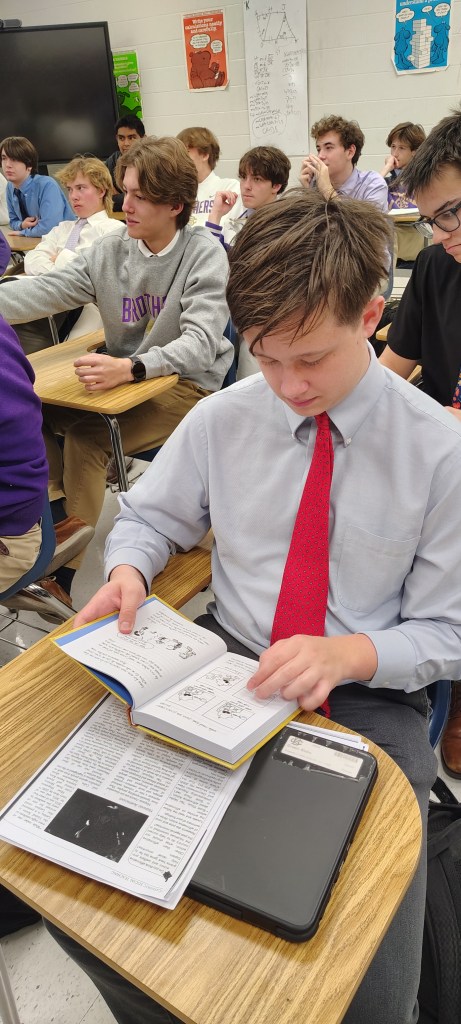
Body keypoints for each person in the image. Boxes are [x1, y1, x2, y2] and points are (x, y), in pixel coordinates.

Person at [45, 189, 461, 1024]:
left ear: (371, 315)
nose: (286, 384)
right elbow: (154, 517)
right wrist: (127, 570)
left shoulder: (437, 450)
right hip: (223, 664)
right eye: (266, 357)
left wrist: (347, 655)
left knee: (372, 988)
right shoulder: (226, 417)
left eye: (310, 358)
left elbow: (446, 629)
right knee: (79, 900)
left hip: (364, 699)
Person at [0, 135, 231, 599]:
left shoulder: (203, 253)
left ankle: (60, 579)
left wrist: (133, 368)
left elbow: (202, 344)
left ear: (177, 205)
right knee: (36, 413)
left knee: (88, 438)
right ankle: (63, 520)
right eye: (126, 191)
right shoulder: (111, 251)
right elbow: (43, 292)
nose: (127, 204)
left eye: (142, 196)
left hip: (186, 386)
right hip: (127, 379)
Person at [379, 104, 461, 778]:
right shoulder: (437, 267)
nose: (442, 232)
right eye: (432, 218)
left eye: (454, 211)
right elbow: (392, 370)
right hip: (439, 458)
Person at [23, 155, 126, 344]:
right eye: (70, 189)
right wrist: (63, 269)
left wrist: (59, 257)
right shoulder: (63, 228)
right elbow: (31, 260)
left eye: (80, 188)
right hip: (47, 299)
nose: (73, 196)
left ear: (101, 190)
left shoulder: (114, 230)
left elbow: (90, 275)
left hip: (88, 308)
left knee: (62, 351)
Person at [204, 144, 291, 247]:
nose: (246, 186)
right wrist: (215, 215)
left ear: (276, 186)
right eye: (243, 177)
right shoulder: (232, 224)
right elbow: (208, 260)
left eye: (257, 179)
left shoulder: (286, 227)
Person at [299, 114, 388, 212]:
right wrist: (307, 193)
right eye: (318, 149)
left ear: (350, 152)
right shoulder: (314, 184)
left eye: (328, 148)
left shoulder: (372, 184)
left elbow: (365, 226)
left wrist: (327, 190)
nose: (320, 156)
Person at [0, 135, 75, 236]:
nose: (7, 165)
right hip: (36, 242)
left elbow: (49, 228)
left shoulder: (47, 185)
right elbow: (13, 221)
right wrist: (22, 225)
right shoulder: (10, 186)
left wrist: (22, 232)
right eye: (4, 158)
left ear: (29, 164)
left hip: (63, 242)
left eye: (14, 159)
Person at [380, 121, 426, 267]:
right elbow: (369, 192)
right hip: (391, 248)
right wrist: (386, 168)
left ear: (415, 152)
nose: (395, 153)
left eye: (402, 148)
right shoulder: (384, 182)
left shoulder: (424, 179)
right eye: (393, 147)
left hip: (416, 243)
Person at [177, 126, 240, 226]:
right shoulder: (177, 192)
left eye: (186, 152)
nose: (180, 159)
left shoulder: (229, 187)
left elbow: (228, 230)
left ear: (205, 154)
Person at [105, 114, 145, 212]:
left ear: (143, 138)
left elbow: (148, 198)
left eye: (131, 138)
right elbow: (102, 200)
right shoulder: (112, 161)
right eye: (121, 138)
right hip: (118, 219)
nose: (126, 143)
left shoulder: (152, 162)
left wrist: (117, 197)